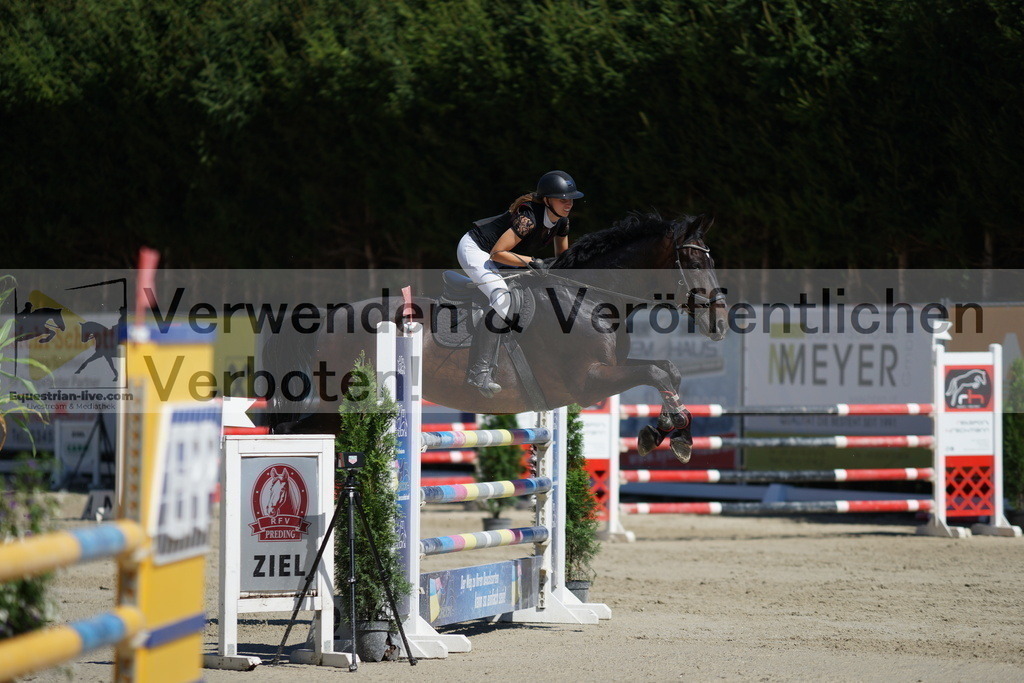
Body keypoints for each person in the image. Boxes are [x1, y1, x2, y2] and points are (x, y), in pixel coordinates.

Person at [456, 170, 584, 397]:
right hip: (477, 250)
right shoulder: (528, 219)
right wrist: (533, 261)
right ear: (547, 200)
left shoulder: (562, 222)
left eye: (571, 199)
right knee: (502, 299)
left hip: (504, 256)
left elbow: (563, 260)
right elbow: (497, 253)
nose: (568, 203)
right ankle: (480, 371)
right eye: (562, 199)